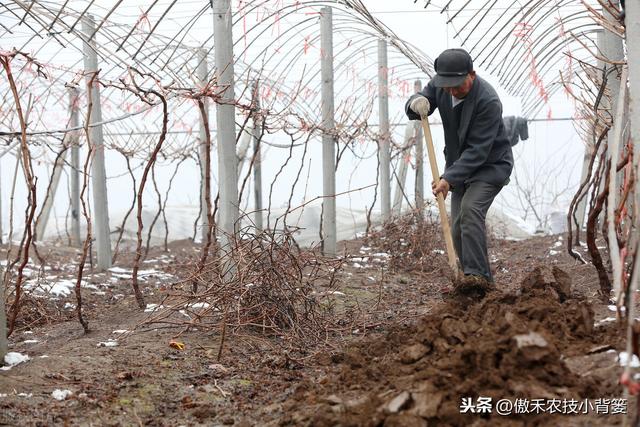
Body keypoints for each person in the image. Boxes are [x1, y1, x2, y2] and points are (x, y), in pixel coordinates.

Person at [405, 48, 513, 286]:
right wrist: (417, 103)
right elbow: (423, 99)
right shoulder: (441, 84)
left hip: (489, 166)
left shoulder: (488, 101)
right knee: (456, 226)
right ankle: (466, 280)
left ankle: (480, 279)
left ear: (471, 75)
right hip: (458, 167)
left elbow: (478, 151)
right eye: (447, 86)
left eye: (457, 85)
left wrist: (448, 178)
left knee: (470, 210)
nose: (452, 91)